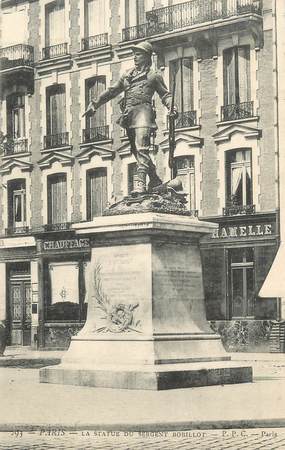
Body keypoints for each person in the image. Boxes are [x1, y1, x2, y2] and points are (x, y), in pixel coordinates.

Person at [83, 40, 177, 194]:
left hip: (144, 114)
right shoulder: (127, 75)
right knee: (136, 151)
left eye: (138, 54)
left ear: (146, 56)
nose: (135, 57)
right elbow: (112, 91)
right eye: (134, 54)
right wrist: (95, 104)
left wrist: (173, 107)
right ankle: (154, 179)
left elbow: (165, 95)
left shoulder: (153, 76)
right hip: (129, 116)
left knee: (142, 148)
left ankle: (139, 183)